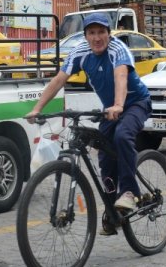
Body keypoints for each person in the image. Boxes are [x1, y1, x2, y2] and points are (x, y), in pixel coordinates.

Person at [26, 12, 152, 235]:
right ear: (85, 36)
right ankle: (114, 213)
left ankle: (131, 193)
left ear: (108, 34)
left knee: (123, 136)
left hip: (134, 103)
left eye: (101, 32)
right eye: (91, 33)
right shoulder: (80, 52)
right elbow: (59, 79)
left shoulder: (118, 50)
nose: (97, 38)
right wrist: (38, 109)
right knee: (104, 156)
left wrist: (119, 105)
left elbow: (121, 77)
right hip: (109, 111)